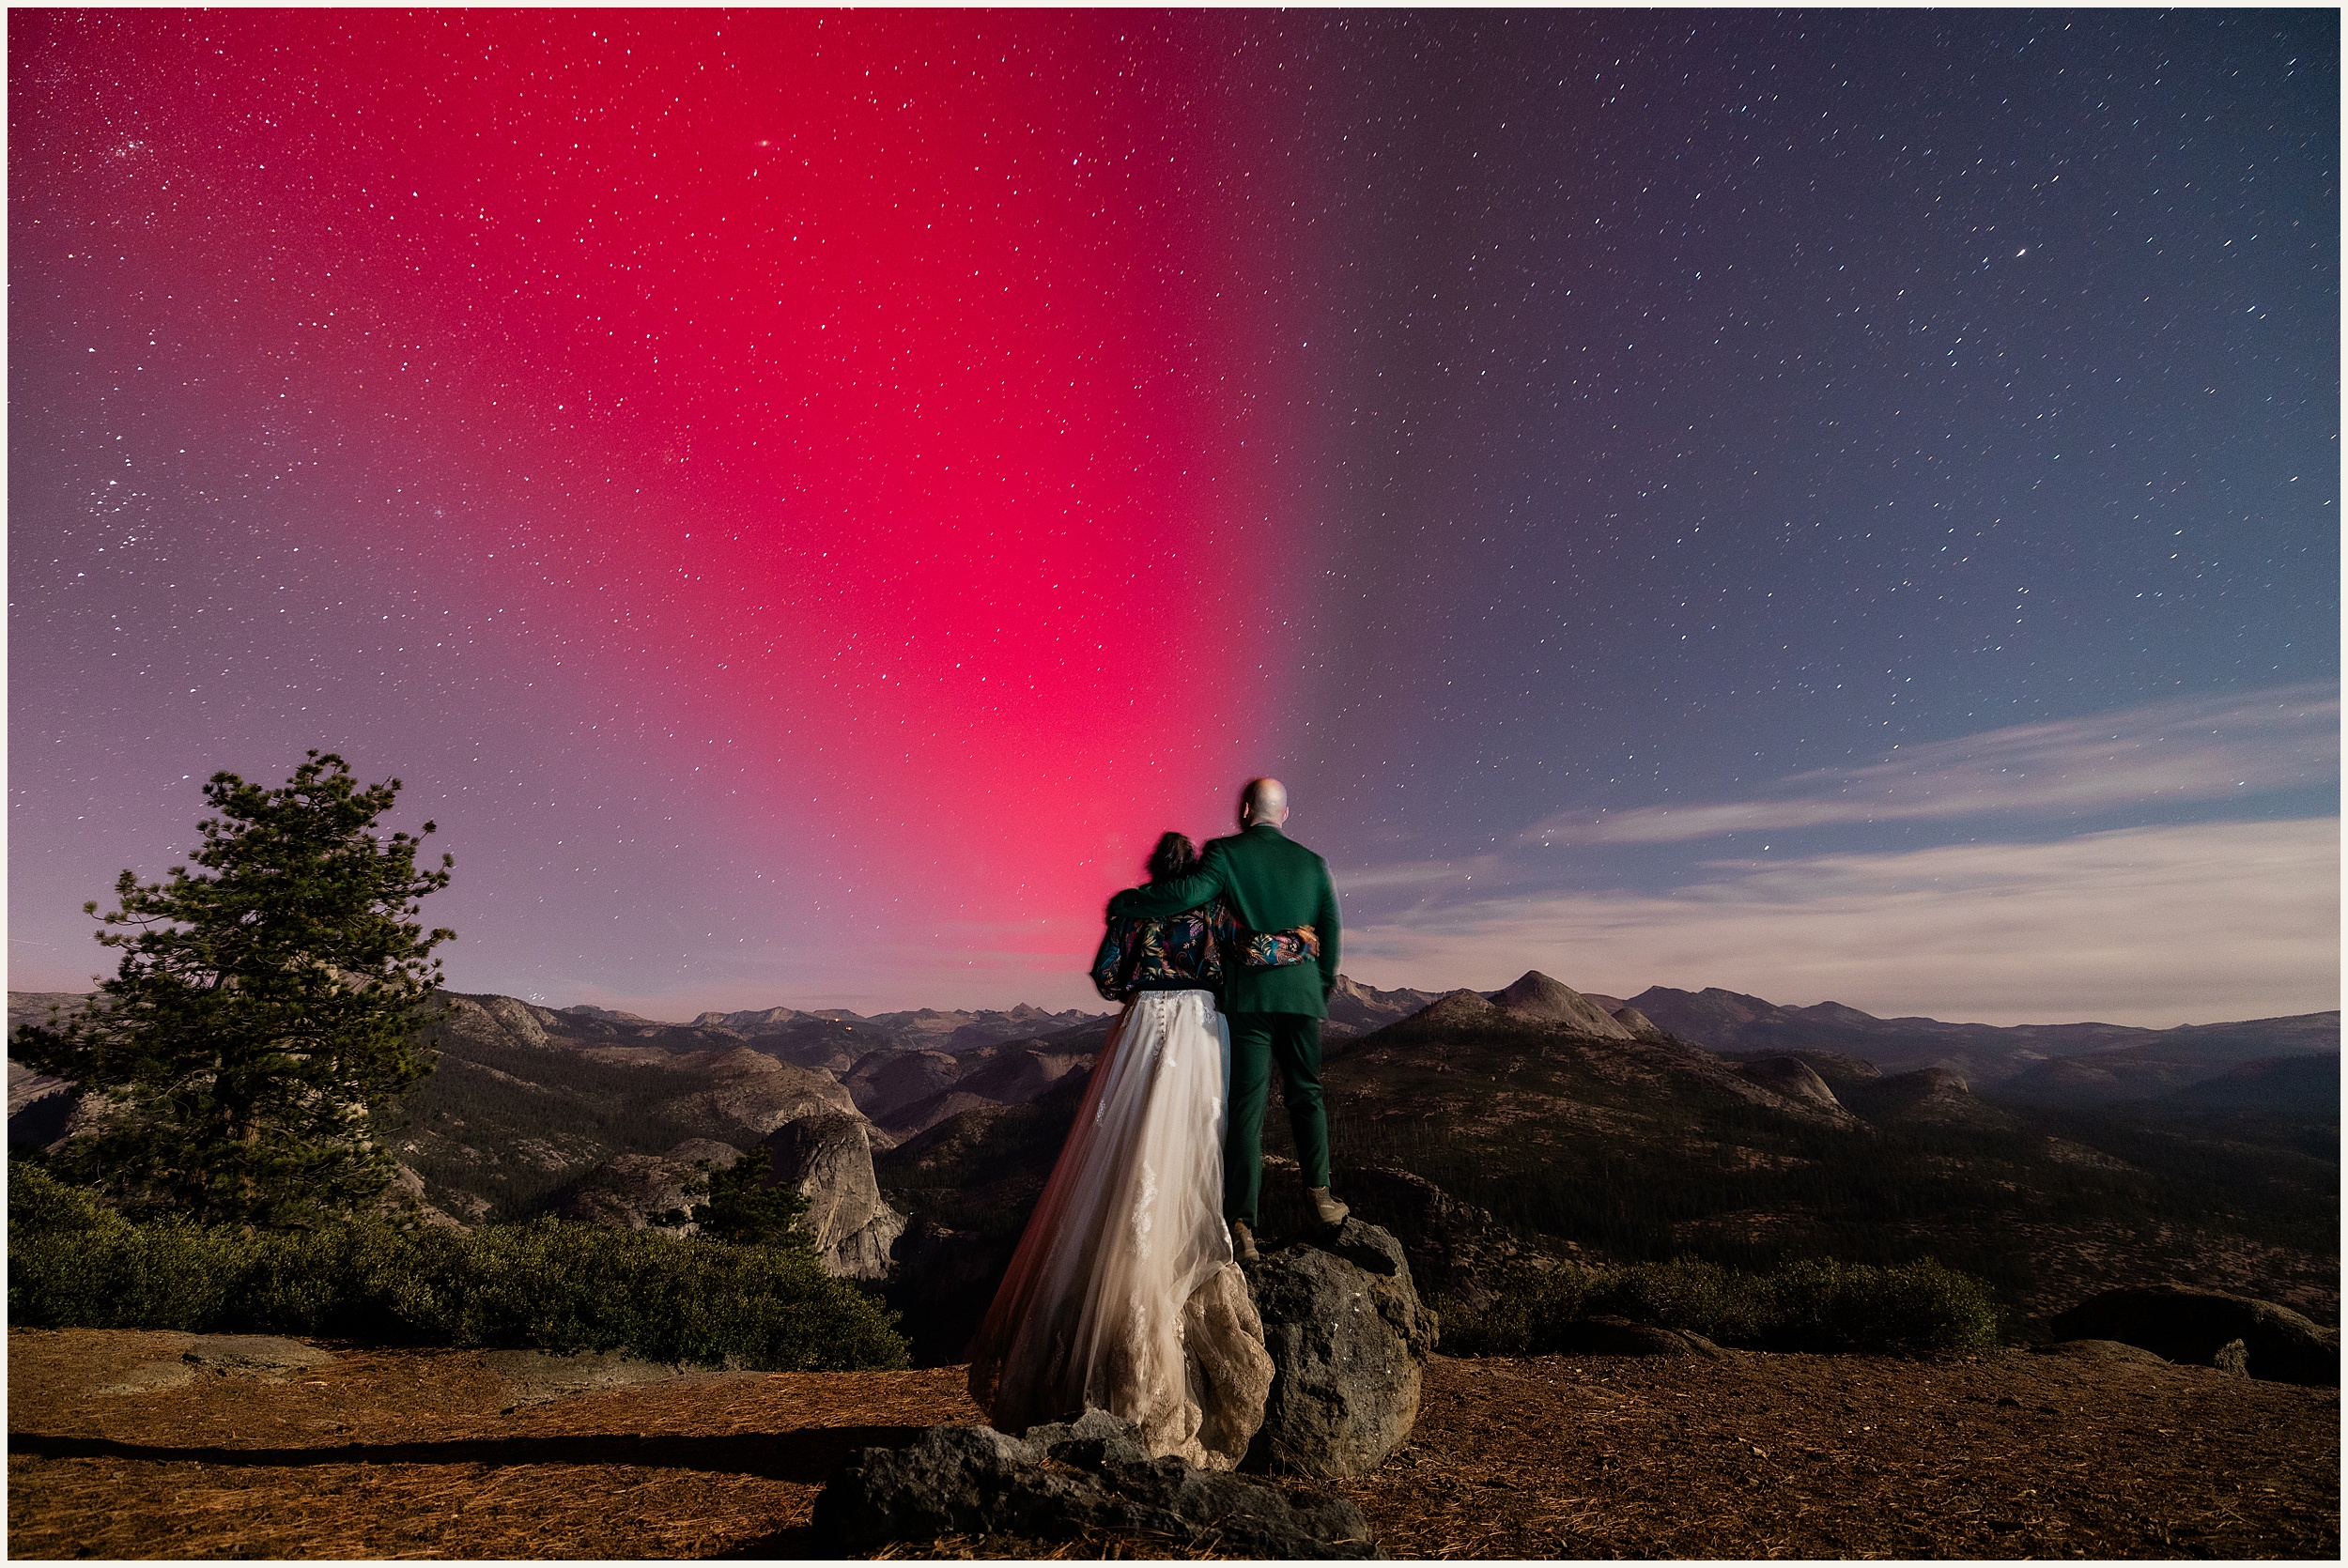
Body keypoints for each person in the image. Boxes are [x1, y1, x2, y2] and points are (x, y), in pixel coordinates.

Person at [964, 832, 1274, 1469]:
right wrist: (1296, 944)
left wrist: (1142, 977)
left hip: (1140, 1028)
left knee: (1122, 1160)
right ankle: (1158, 1300)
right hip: (1195, 1028)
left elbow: (1108, 978)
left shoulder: (1129, 907)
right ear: (1194, 870)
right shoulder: (1212, 909)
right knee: (1184, 1156)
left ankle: (1100, 1333)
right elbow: (1244, 954)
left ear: (1152, 868)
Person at [1105, 777, 1345, 1265]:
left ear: (1243, 810)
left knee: (1246, 1107)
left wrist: (1126, 904)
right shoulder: (1315, 864)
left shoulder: (1224, 852)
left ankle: (1243, 1223)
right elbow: (1331, 930)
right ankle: (1320, 1195)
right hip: (1299, 994)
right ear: (1286, 813)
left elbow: (1187, 894)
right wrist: (1317, 986)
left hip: (1249, 998)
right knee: (1307, 1094)